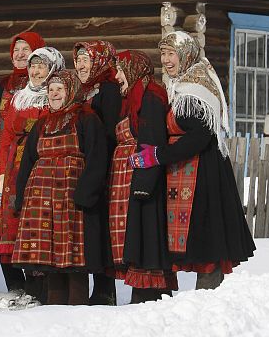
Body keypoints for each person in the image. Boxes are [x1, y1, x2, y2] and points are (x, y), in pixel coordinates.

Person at [129, 31, 255, 290]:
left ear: (185, 55)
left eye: (171, 53)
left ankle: (207, 297)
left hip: (202, 172)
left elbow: (199, 136)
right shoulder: (182, 84)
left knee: (206, 233)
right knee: (200, 233)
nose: (166, 60)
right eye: (163, 54)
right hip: (188, 168)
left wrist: (158, 155)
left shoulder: (194, 90)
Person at [13, 64, 108, 306]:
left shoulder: (87, 119)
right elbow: (28, 162)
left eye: (60, 89)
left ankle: (77, 310)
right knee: (51, 259)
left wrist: (86, 194)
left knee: (75, 258)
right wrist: (21, 197)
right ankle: (53, 311)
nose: (54, 94)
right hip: (42, 199)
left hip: (72, 198)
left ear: (72, 91)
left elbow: (97, 158)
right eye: (51, 89)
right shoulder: (42, 123)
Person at [0, 45, 59, 307]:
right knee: (16, 226)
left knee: (39, 227)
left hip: (42, 167)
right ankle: (25, 288)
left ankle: (43, 290)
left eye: (42, 65)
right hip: (15, 169)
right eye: (33, 65)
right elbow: (7, 137)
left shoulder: (56, 95)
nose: (36, 70)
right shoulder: (18, 98)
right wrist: (2, 173)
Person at [109, 49, 176, 303]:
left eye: (121, 70)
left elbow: (152, 143)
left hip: (144, 180)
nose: (117, 76)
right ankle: (145, 295)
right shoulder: (134, 98)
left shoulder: (150, 98)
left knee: (147, 236)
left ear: (134, 70)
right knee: (137, 237)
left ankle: (149, 297)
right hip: (131, 177)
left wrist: (143, 185)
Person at [73, 40, 122, 305]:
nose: (81, 65)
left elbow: (109, 131)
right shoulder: (82, 90)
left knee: (102, 227)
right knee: (89, 227)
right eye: (78, 59)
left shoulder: (109, 90)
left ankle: (105, 288)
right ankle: (97, 287)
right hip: (86, 164)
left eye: (86, 59)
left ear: (100, 61)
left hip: (104, 166)